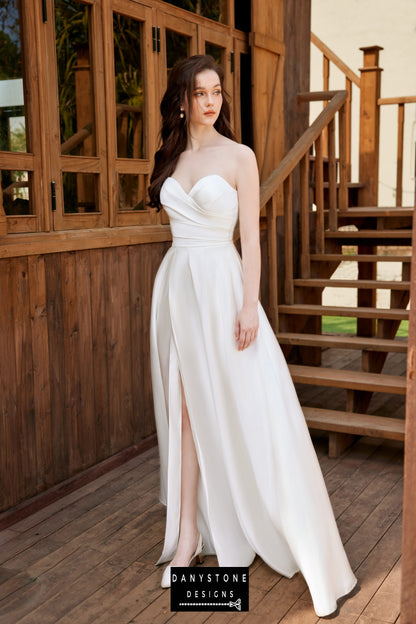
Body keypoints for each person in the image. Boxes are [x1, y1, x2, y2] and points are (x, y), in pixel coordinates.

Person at [148, 54, 359, 619]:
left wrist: (249, 306)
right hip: (178, 294)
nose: (212, 100)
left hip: (223, 291)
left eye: (218, 91)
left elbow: (252, 240)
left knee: (250, 408)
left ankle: (283, 527)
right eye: (200, 92)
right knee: (187, 413)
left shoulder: (239, 155)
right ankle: (190, 535)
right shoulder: (169, 158)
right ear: (183, 100)